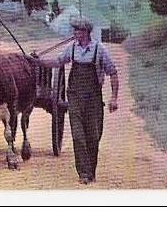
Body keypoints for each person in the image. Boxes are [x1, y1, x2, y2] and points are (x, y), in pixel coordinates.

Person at [33, 16, 119, 184]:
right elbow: (57, 62)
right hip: (74, 97)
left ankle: (91, 171)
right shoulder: (71, 48)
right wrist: (38, 61)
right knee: (78, 136)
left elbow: (113, 73)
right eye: (74, 30)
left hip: (94, 98)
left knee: (93, 137)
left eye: (77, 30)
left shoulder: (99, 50)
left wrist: (114, 98)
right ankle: (83, 173)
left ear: (85, 32)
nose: (74, 33)